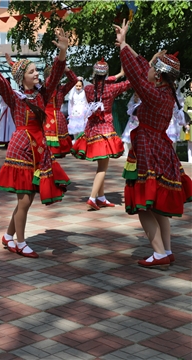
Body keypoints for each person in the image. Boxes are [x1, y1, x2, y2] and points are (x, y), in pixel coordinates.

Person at [0, 28, 70, 259]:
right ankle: (21, 242)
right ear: (22, 77)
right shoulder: (15, 98)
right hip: (23, 149)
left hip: (39, 149)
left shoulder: (42, 94)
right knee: (24, 198)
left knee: (27, 198)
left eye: (36, 71)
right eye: (32, 72)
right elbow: (2, 85)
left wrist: (62, 52)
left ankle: (8, 235)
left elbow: (55, 75)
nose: (37, 74)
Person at [115, 19, 192, 269]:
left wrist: (123, 45)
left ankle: (159, 253)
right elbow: (142, 68)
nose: (148, 68)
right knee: (158, 204)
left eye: (153, 67)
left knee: (143, 205)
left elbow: (138, 76)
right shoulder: (166, 93)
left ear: (158, 75)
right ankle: (166, 250)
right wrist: (126, 44)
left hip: (149, 147)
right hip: (161, 147)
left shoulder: (154, 93)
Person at [71, 58, 131, 211]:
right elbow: (129, 82)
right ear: (106, 75)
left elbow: (104, 82)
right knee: (103, 167)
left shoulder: (89, 89)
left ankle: (101, 197)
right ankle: (92, 197)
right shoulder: (111, 89)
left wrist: (117, 75)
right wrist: (124, 73)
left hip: (92, 131)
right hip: (105, 132)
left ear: (94, 73)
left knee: (101, 165)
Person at [42, 65, 76, 158]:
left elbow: (74, 81)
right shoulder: (43, 89)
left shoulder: (61, 89)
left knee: (58, 156)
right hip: (45, 118)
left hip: (58, 119)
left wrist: (66, 69)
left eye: (59, 76)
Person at [0, 79, 16, 144]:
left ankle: (10, 139)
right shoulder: (2, 92)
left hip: (10, 110)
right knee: (3, 125)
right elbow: (1, 101)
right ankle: (3, 139)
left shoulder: (13, 91)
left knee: (10, 125)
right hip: (4, 109)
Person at [121, 92, 141, 157]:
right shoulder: (133, 104)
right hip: (132, 121)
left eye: (137, 95)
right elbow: (130, 108)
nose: (136, 97)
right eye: (135, 95)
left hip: (140, 122)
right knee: (128, 137)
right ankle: (127, 153)